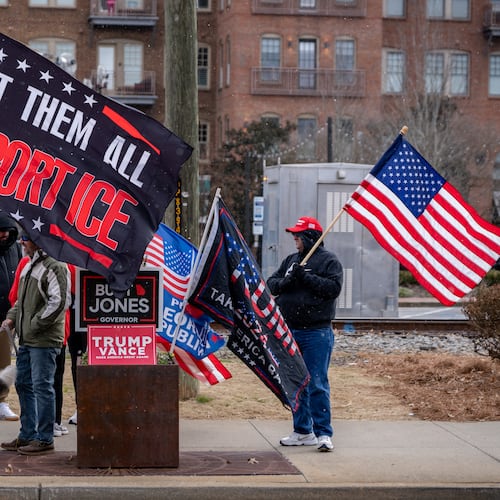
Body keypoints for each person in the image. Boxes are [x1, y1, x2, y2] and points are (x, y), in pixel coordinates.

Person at [267, 216, 343, 452]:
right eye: (294, 234)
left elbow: (333, 289)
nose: (294, 238)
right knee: (295, 383)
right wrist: (287, 281)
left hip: (316, 333)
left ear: (311, 237)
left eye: (298, 235)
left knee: (317, 383)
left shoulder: (329, 261)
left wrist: (306, 277)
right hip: (289, 331)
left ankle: (323, 433)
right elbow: (271, 283)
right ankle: (302, 431)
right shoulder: (291, 260)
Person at [0, 233, 71, 455]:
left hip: (44, 339)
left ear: (40, 241)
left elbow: (59, 302)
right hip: (29, 338)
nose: (22, 242)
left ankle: (44, 437)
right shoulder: (30, 265)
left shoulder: (55, 266)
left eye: (27, 238)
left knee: (42, 386)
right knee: (24, 384)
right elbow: (22, 300)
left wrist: (33, 324)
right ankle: (28, 434)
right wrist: (12, 318)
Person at [0, 212, 22, 422]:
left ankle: (2, 402)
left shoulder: (14, 247)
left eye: (6, 232)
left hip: (7, 315)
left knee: (4, 360)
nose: (3, 236)